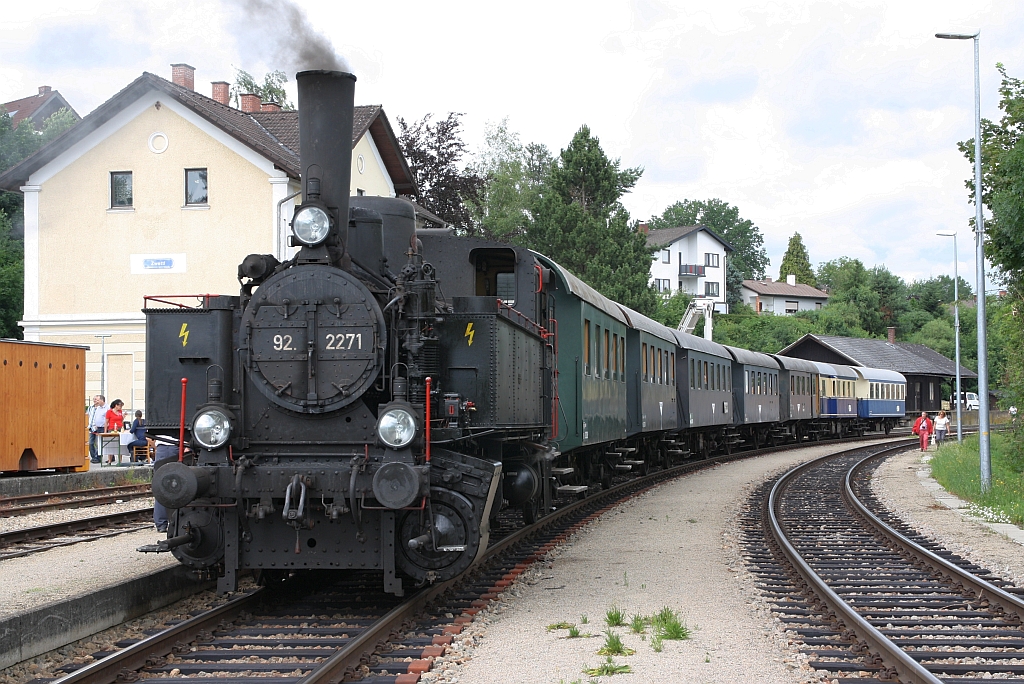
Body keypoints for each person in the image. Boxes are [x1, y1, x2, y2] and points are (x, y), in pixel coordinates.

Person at [87, 395, 107, 464]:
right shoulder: (90, 408)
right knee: (90, 443)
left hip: (98, 427)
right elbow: (87, 416)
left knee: (99, 443)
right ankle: (94, 457)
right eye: (95, 399)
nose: (96, 401)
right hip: (91, 427)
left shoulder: (101, 408)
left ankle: (98, 457)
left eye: (97, 400)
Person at [104, 399, 125, 465]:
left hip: (119, 428)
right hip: (112, 428)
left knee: (120, 444)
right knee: (111, 444)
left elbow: (121, 420)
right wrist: (105, 431)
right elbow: (106, 422)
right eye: (120, 406)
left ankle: (120, 461)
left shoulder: (120, 411)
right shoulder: (109, 412)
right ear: (116, 405)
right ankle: (110, 460)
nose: (120, 408)